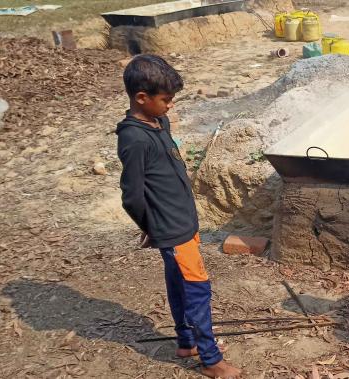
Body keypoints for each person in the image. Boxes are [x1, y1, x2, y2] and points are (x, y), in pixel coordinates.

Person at [116, 54, 242, 379]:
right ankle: (211, 360)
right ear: (141, 98)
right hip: (171, 228)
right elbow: (132, 195)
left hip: (182, 222)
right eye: (165, 100)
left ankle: (187, 342)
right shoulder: (134, 139)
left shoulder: (159, 122)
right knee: (197, 289)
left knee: (178, 282)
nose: (170, 105)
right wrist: (151, 226)